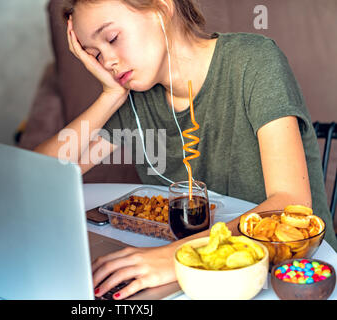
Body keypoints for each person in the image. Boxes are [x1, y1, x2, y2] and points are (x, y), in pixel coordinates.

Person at [34, 0, 337, 299]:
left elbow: (290, 202)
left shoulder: (255, 61)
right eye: (95, 55)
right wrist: (110, 95)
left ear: (162, 7)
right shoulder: (134, 99)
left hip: (286, 274)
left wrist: (177, 256)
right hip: (197, 277)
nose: (108, 61)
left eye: (112, 38)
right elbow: (37, 178)